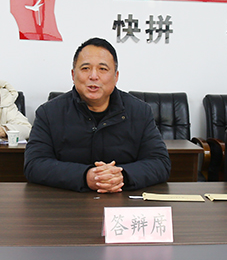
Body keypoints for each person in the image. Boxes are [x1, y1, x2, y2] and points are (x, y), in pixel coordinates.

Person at [24, 37, 171, 193]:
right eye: (85, 68)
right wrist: (84, 176)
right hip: (68, 201)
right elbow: (34, 165)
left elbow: (160, 163)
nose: (93, 76)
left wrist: (121, 176)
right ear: (73, 75)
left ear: (116, 76)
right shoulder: (49, 113)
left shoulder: (140, 112)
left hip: (123, 200)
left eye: (103, 69)